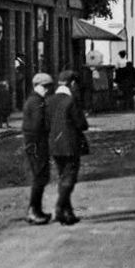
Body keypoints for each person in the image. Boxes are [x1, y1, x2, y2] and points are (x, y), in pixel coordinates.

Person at [47, 70, 89, 226]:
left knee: (62, 177)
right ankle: (59, 208)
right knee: (70, 177)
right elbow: (82, 124)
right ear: (72, 83)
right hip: (70, 145)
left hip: (54, 145)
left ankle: (68, 213)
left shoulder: (49, 101)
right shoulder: (72, 101)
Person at [22, 73, 54, 225]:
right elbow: (37, 125)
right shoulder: (36, 101)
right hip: (36, 144)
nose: (47, 89)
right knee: (39, 177)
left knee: (41, 177)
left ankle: (37, 210)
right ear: (37, 86)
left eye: (49, 86)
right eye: (45, 86)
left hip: (36, 144)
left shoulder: (35, 100)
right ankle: (33, 211)